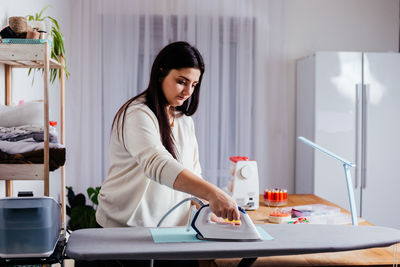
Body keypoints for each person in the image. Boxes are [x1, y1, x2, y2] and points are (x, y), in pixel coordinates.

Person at [96, 41, 240, 231]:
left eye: (194, 84)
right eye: (181, 81)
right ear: (160, 74)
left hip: (170, 231)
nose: (188, 91)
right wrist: (214, 193)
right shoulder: (137, 114)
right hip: (125, 229)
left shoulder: (184, 121)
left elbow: (194, 174)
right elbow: (157, 163)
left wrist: (207, 207)